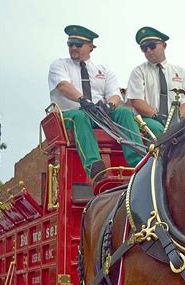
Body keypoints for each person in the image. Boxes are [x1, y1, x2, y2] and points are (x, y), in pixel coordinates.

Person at [48, 25, 145, 180]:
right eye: (70, 44)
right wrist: (82, 100)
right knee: (80, 116)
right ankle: (94, 167)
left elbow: (115, 94)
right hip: (69, 115)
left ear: (91, 47)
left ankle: (140, 162)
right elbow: (63, 85)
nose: (73, 47)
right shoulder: (59, 65)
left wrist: (110, 106)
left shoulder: (103, 70)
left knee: (125, 113)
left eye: (78, 45)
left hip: (100, 115)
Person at [126, 26, 185, 137]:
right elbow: (137, 101)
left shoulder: (181, 72)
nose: (148, 51)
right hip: (149, 119)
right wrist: (156, 116)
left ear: (164, 45)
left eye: (152, 46)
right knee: (157, 128)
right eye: (144, 48)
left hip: (177, 122)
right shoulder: (138, 72)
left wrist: (177, 120)